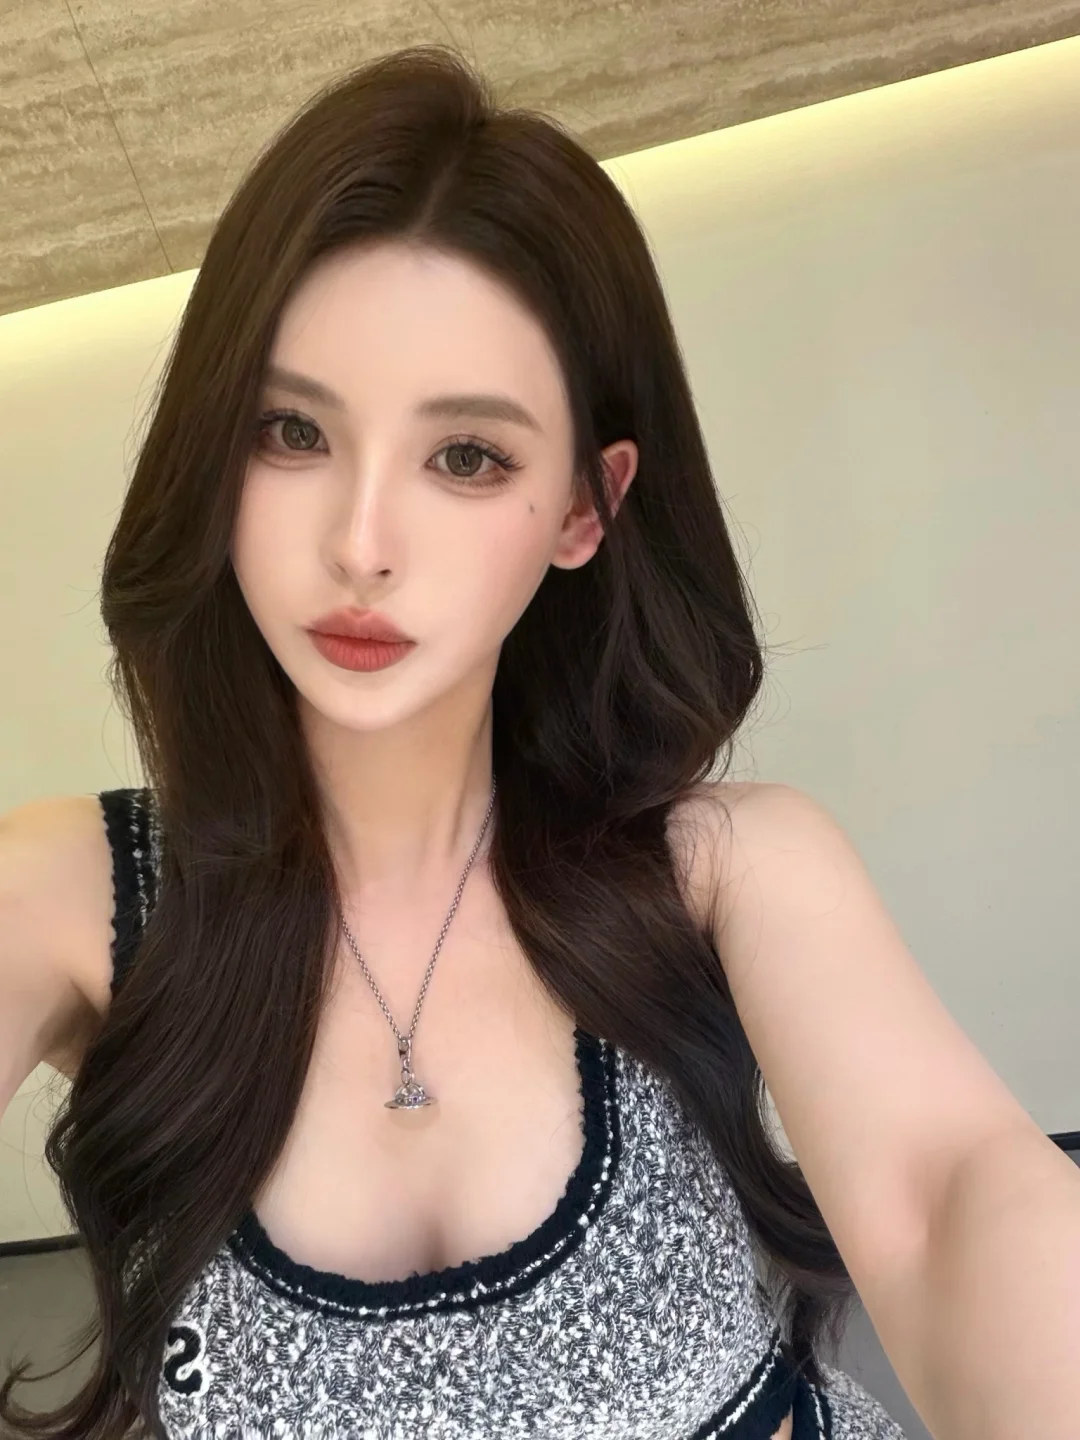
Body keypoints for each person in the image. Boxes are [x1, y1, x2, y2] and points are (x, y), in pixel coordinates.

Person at [1, 41, 1078, 1440]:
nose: (361, 544)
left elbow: (951, 1196)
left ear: (583, 508)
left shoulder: (718, 870)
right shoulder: (75, 899)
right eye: (290, 431)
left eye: (467, 457)